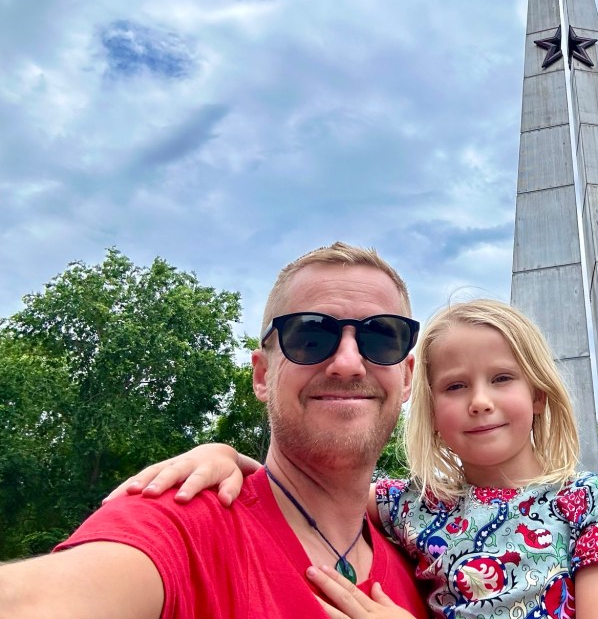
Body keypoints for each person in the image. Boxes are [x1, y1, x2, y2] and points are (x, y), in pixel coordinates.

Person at [111, 299, 598, 619]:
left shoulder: (587, 502)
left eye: (502, 379)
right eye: (455, 386)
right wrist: (224, 456)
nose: (480, 401)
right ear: (430, 409)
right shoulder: (412, 505)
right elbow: (299, 491)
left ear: (540, 396)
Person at [0, 242, 430, 619]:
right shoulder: (182, 524)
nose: (349, 363)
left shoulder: (429, 564)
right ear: (262, 376)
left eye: (382, 338)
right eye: (311, 336)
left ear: (407, 377)